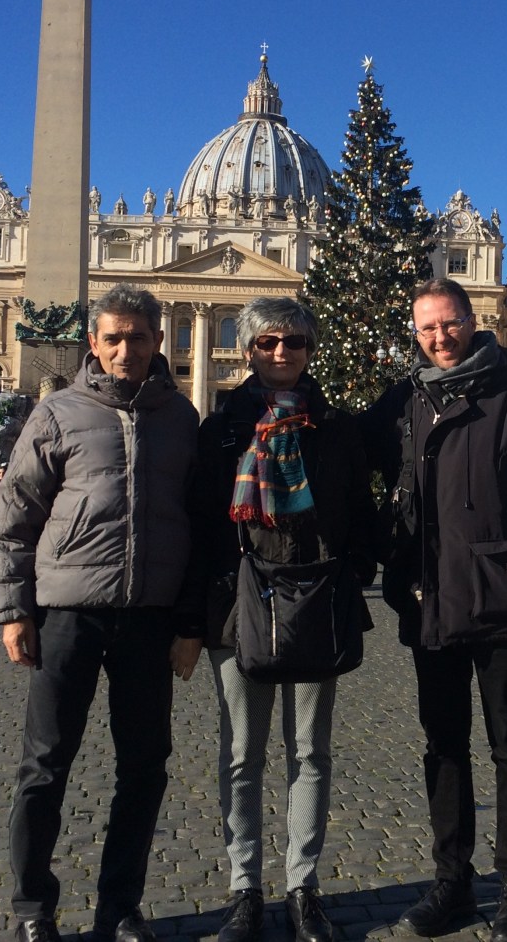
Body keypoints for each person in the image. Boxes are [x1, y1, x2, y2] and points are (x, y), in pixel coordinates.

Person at [359, 278, 507, 942]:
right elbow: (345, 452)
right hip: (430, 601)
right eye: (426, 328)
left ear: (470, 321)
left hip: (506, 601)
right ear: (416, 332)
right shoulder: (405, 400)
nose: (439, 337)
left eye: (448, 324)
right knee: (443, 747)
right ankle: (451, 882)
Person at [0, 285, 200, 942]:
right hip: (67, 613)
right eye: (112, 338)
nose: (125, 349)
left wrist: (191, 624)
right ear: (94, 344)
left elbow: (199, 529)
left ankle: (120, 905)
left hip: (149, 617)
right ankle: (31, 908)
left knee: (144, 766)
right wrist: (11, 610)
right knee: (45, 764)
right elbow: (14, 520)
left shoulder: (182, 418)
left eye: (137, 337)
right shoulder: (57, 415)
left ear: (157, 341)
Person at [175, 297, 377, 942]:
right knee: (241, 753)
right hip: (237, 608)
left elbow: (362, 515)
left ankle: (302, 885)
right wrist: (198, 611)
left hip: (317, 602)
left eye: (294, 342)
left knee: (310, 752)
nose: (281, 353)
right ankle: (243, 889)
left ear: (310, 349)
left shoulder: (338, 428)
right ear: (247, 347)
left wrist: (352, 576)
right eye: (268, 342)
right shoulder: (222, 429)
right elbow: (200, 526)